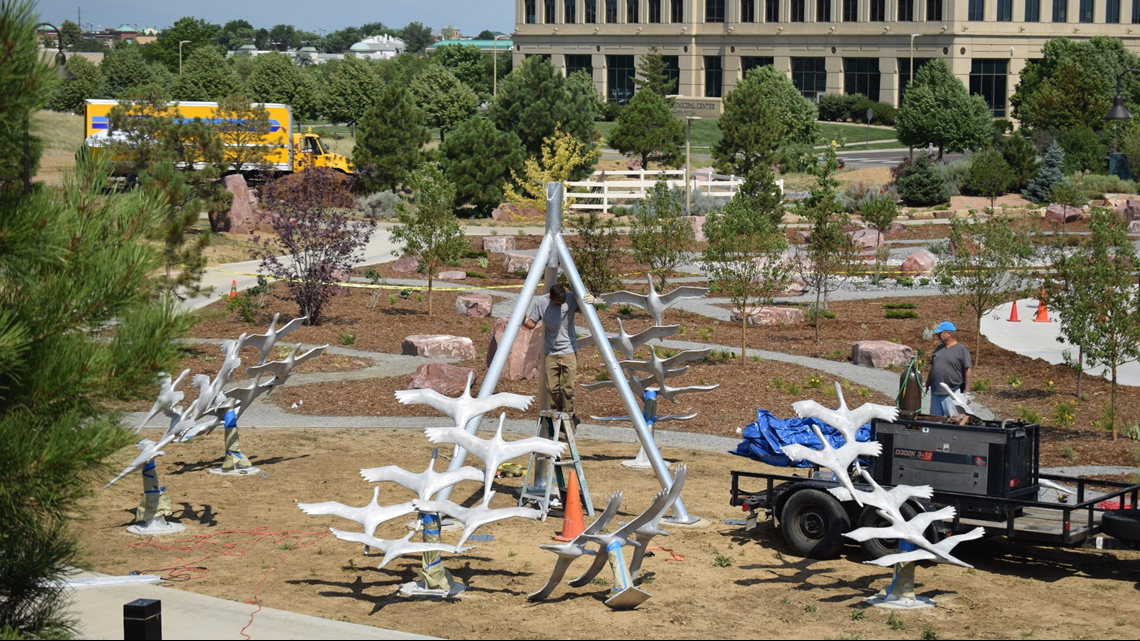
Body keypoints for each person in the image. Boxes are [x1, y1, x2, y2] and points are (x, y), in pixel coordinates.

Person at [523, 284, 595, 420]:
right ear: (550, 297)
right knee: (552, 388)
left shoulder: (571, 298)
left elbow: (588, 311)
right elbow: (532, 323)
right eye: (557, 303)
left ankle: (569, 415)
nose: (560, 305)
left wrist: (593, 301)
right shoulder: (541, 302)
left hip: (569, 350)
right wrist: (522, 319)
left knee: (569, 388)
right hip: (551, 352)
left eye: (562, 303)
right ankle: (565, 412)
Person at [926, 321, 973, 418]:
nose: (937, 335)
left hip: (952, 393)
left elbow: (968, 370)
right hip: (935, 392)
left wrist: (967, 392)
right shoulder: (938, 348)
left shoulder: (961, 350)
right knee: (934, 421)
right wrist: (926, 385)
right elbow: (933, 368)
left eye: (940, 333)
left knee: (952, 420)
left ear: (949, 334)